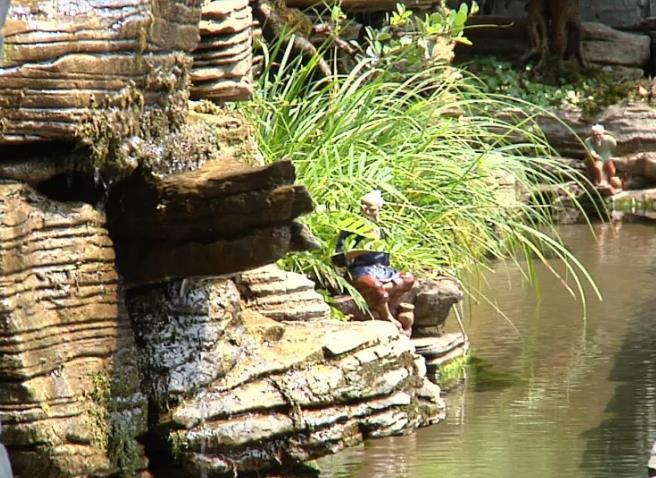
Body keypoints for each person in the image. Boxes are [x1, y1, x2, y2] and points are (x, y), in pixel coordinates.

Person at [334, 190, 414, 336]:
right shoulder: (350, 227)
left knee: (408, 278)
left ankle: (381, 300)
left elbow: (386, 254)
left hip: (381, 269)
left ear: (378, 209)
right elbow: (337, 258)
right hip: (360, 269)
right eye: (363, 207)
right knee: (377, 287)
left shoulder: (382, 228)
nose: (367, 211)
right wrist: (358, 251)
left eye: (371, 208)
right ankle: (386, 316)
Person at [584, 124, 622, 195]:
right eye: (595, 135)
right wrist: (595, 156)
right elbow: (591, 151)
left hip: (606, 156)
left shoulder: (609, 140)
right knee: (598, 167)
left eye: (599, 134)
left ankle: (610, 182)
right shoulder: (588, 141)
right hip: (596, 158)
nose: (597, 137)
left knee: (612, 170)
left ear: (603, 134)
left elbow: (613, 147)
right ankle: (600, 182)